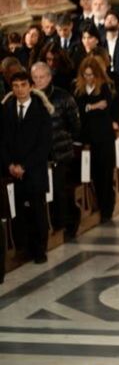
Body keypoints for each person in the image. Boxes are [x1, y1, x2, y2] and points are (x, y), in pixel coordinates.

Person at [0, 71, 53, 264]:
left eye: (23, 85)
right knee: (18, 212)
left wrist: (25, 166)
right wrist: (9, 165)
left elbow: (44, 145)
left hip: (34, 171)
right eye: (15, 86)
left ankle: (39, 250)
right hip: (13, 170)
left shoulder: (41, 112)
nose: (19, 89)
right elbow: (3, 141)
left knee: (37, 211)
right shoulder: (6, 110)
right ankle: (22, 248)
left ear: (30, 87)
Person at [30, 62, 79, 240]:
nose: (38, 80)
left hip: (60, 152)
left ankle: (65, 225)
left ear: (49, 77)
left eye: (42, 77)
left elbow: (75, 125)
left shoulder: (63, 97)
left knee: (60, 190)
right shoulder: (30, 97)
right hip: (39, 154)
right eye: (35, 77)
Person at [74, 56, 118, 223]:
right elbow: (79, 109)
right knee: (90, 173)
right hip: (87, 137)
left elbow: (105, 107)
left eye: (91, 74)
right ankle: (94, 205)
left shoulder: (105, 87)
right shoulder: (79, 89)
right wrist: (93, 106)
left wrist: (89, 108)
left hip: (104, 137)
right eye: (86, 74)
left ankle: (107, 209)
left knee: (104, 173)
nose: (89, 77)